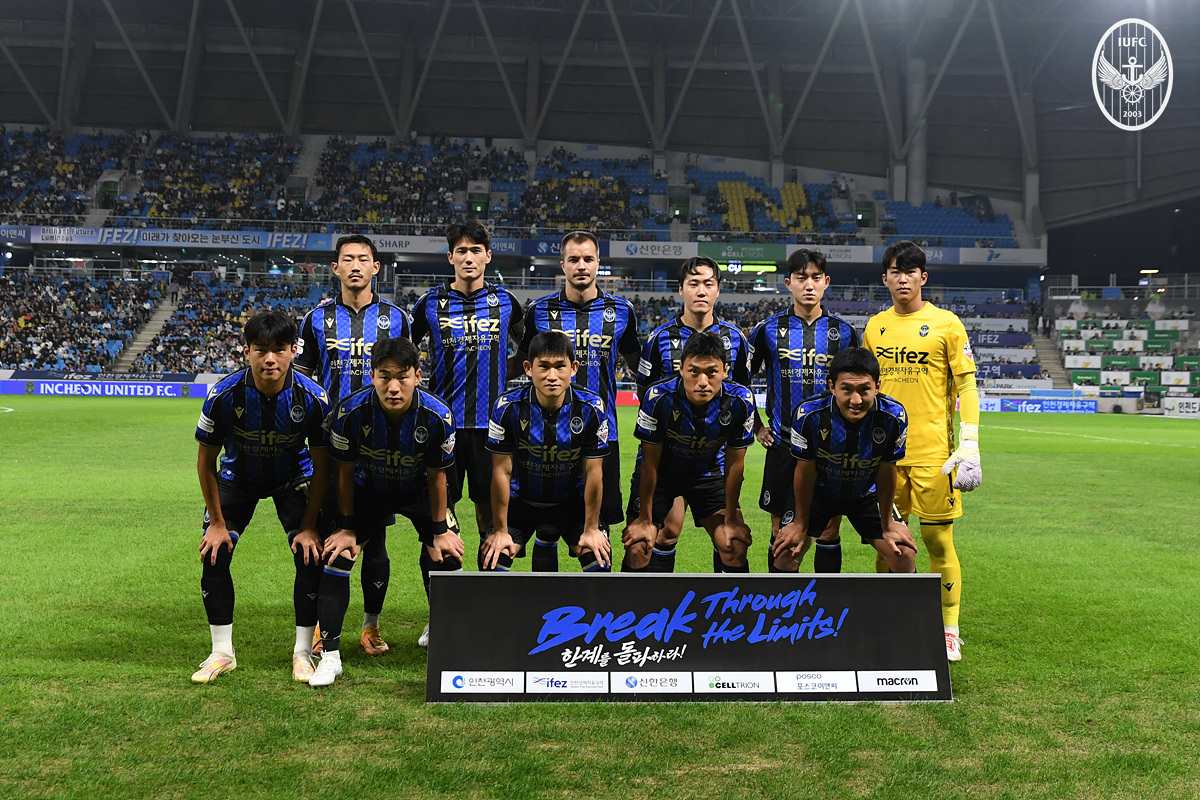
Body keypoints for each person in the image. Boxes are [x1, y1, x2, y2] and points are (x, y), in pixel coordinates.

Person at [314, 337, 465, 686]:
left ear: (417, 376)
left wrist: (439, 530)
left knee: (448, 554)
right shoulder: (349, 412)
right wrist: (347, 527)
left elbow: (438, 476)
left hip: (419, 491)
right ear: (371, 376)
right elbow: (343, 474)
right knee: (338, 555)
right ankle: (330, 657)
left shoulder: (438, 414)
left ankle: (445, 634)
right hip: (369, 489)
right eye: (384, 377)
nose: (393, 387)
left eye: (402, 377)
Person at [191, 310, 331, 684]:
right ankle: (222, 653)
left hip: (294, 479)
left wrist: (309, 525)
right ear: (246, 351)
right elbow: (205, 463)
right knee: (214, 552)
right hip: (238, 479)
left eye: (279, 349)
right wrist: (216, 523)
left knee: (310, 554)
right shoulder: (223, 395)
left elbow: (323, 467)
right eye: (260, 349)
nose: (270, 358)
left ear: (293, 351)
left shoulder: (314, 398)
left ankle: (303, 653)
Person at [862, 240, 981, 662]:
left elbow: (966, 383)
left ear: (923, 277)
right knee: (887, 542)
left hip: (935, 455)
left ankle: (948, 629)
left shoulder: (947, 324)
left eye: (910, 271)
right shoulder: (875, 327)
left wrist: (970, 441)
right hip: (885, 457)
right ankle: (888, 619)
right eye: (895, 272)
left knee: (936, 539)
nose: (903, 279)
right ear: (885, 279)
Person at [296, 233, 412, 655]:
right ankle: (322, 628)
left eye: (364, 259)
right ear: (336, 268)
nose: (356, 266)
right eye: (348, 259)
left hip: (381, 442)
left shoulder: (397, 318)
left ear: (376, 268)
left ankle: (370, 626)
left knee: (376, 537)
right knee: (331, 533)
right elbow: (303, 378)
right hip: (331, 442)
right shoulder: (316, 319)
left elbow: (407, 376)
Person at [515, 231, 640, 571]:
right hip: (544, 434)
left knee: (598, 531)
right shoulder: (539, 310)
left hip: (602, 435)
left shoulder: (621, 311)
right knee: (546, 526)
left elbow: (639, 366)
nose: (581, 265)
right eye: (574, 259)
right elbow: (522, 364)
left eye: (588, 259)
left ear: (598, 263)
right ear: (563, 265)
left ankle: (597, 600)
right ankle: (546, 601)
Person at [410, 219, 524, 573]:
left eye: (476, 250)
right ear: (451, 257)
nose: (469, 257)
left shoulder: (506, 302)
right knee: (439, 519)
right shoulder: (429, 304)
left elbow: (530, 351)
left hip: (493, 429)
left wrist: (505, 371)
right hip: (443, 428)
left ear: (488, 255)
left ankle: (489, 599)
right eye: (461, 251)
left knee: (492, 521)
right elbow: (403, 355)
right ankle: (441, 603)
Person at [631, 256, 750, 573]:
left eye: (708, 284)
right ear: (681, 289)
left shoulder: (735, 339)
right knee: (667, 532)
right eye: (693, 283)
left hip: (713, 459)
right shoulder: (658, 338)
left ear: (718, 289)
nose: (701, 290)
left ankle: (725, 601)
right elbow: (645, 391)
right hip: (667, 454)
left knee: (729, 540)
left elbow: (740, 392)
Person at [749, 248, 859, 574]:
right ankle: (781, 603)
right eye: (801, 278)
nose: (808, 285)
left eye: (815, 278)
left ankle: (826, 602)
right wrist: (757, 426)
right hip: (784, 446)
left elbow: (857, 387)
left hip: (832, 447)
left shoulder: (845, 332)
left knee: (829, 530)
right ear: (788, 283)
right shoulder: (767, 330)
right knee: (782, 532)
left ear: (826, 282)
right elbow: (740, 382)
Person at [773, 347, 918, 574]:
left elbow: (886, 470)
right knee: (786, 553)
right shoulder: (808, 415)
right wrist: (800, 523)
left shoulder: (893, 416)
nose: (856, 400)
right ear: (832, 387)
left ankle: (891, 601)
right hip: (819, 493)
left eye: (864, 389)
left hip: (866, 494)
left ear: (878, 386)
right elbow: (805, 471)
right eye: (847, 389)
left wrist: (888, 524)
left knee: (904, 554)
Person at [482, 331, 611, 573]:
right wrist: (500, 531)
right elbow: (501, 472)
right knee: (492, 560)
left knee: (599, 560)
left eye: (560, 366)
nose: (552, 376)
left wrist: (592, 529)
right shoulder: (506, 407)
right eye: (544, 366)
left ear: (573, 368)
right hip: (522, 503)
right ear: (528, 368)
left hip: (572, 504)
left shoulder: (592, 408)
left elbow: (593, 473)